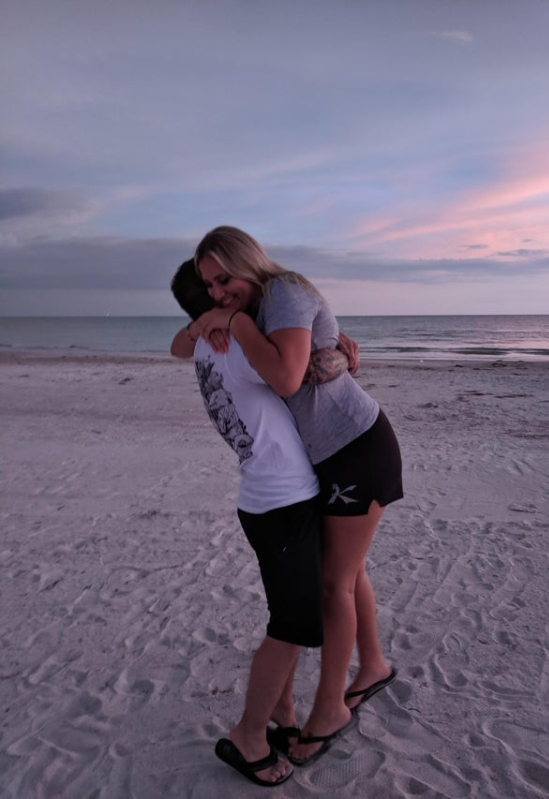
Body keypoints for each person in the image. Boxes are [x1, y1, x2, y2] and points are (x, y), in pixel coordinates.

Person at [188, 227, 403, 767]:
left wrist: (233, 321)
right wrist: (214, 321)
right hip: (327, 458)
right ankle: (372, 665)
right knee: (347, 574)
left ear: (247, 262)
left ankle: (331, 707)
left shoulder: (281, 291)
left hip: (357, 448)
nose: (217, 292)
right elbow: (189, 344)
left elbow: (286, 377)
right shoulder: (257, 309)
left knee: (334, 581)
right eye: (209, 286)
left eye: (223, 279)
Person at [170, 259, 351, 786]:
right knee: (291, 627)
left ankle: (284, 715)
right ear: (214, 304)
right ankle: (249, 735)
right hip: (282, 501)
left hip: (264, 500)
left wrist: (208, 322)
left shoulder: (206, 346)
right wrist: (340, 347)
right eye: (218, 290)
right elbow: (298, 372)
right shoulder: (235, 347)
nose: (232, 294)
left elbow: (179, 346)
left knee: (290, 617)